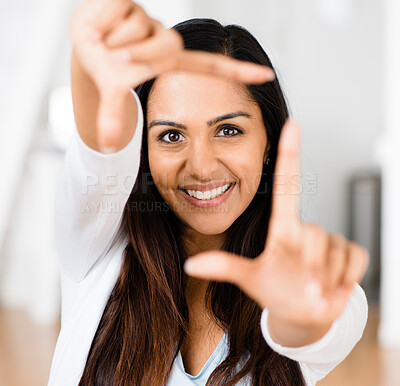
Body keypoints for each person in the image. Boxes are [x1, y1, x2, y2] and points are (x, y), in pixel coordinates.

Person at [48, 0, 369, 385]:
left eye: (228, 130)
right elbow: (101, 150)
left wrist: (297, 318)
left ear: (269, 140)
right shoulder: (94, 246)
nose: (201, 166)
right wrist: (88, 66)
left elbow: (323, 327)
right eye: (171, 135)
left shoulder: (309, 284)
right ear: (142, 150)